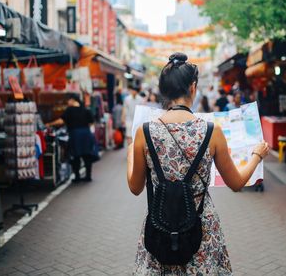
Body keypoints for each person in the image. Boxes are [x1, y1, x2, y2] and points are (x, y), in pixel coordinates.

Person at [127, 53, 270, 275]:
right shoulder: (212, 131)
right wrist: (257, 155)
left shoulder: (144, 133)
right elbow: (237, 182)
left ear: (164, 91)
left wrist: (130, 154)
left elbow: (135, 187)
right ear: (193, 88)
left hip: (160, 226)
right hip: (201, 229)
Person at [46, 94, 96, 183]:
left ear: (72, 100)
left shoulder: (69, 110)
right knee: (87, 155)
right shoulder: (85, 109)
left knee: (75, 155)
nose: (68, 103)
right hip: (86, 134)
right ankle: (88, 176)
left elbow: (61, 121)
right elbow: (91, 123)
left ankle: (77, 177)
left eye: (68, 101)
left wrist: (49, 124)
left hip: (75, 134)